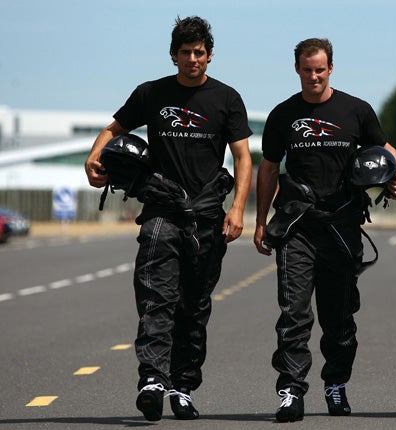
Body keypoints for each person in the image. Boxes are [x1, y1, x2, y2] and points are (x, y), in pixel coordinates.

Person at [84, 16, 252, 421]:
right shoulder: (151, 93)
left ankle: (182, 386)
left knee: (194, 306)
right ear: (173, 55)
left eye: (199, 52)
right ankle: (152, 380)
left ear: (209, 55)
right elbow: (113, 129)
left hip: (207, 216)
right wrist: (93, 157)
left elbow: (243, 157)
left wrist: (237, 208)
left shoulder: (227, 98)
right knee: (156, 297)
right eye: (185, 52)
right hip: (162, 210)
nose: (192, 59)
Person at [254, 38, 396, 422]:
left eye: (320, 70)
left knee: (339, 318)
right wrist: (260, 222)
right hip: (297, 227)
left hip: (342, 227)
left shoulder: (356, 110)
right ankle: (291, 390)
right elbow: (269, 169)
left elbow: (385, 149)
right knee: (293, 313)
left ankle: (336, 384)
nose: (314, 76)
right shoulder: (283, 114)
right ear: (297, 69)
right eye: (307, 70)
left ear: (331, 68)